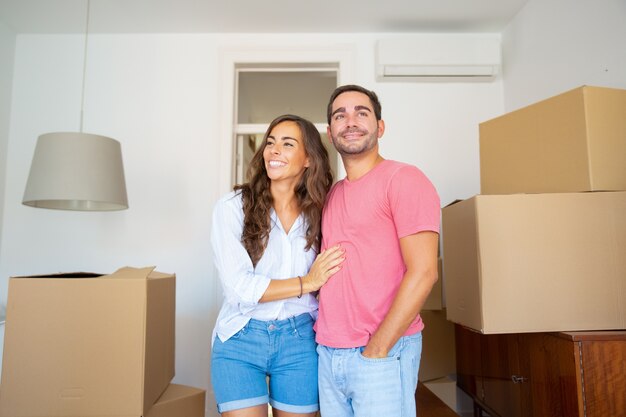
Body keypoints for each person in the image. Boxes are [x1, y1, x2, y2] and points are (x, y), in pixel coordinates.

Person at [315, 85, 441, 417]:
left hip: (382, 351)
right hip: (329, 354)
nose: (350, 121)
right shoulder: (330, 195)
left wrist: (378, 348)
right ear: (330, 133)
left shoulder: (404, 179)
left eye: (362, 112)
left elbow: (425, 271)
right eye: (340, 115)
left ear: (380, 127)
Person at [210, 114, 345, 417]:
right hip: (240, 338)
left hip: (300, 339)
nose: (273, 151)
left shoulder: (322, 212)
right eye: (270, 143)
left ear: (308, 158)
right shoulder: (232, 207)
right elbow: (238, 288)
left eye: (287, 144)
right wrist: (306, 283)